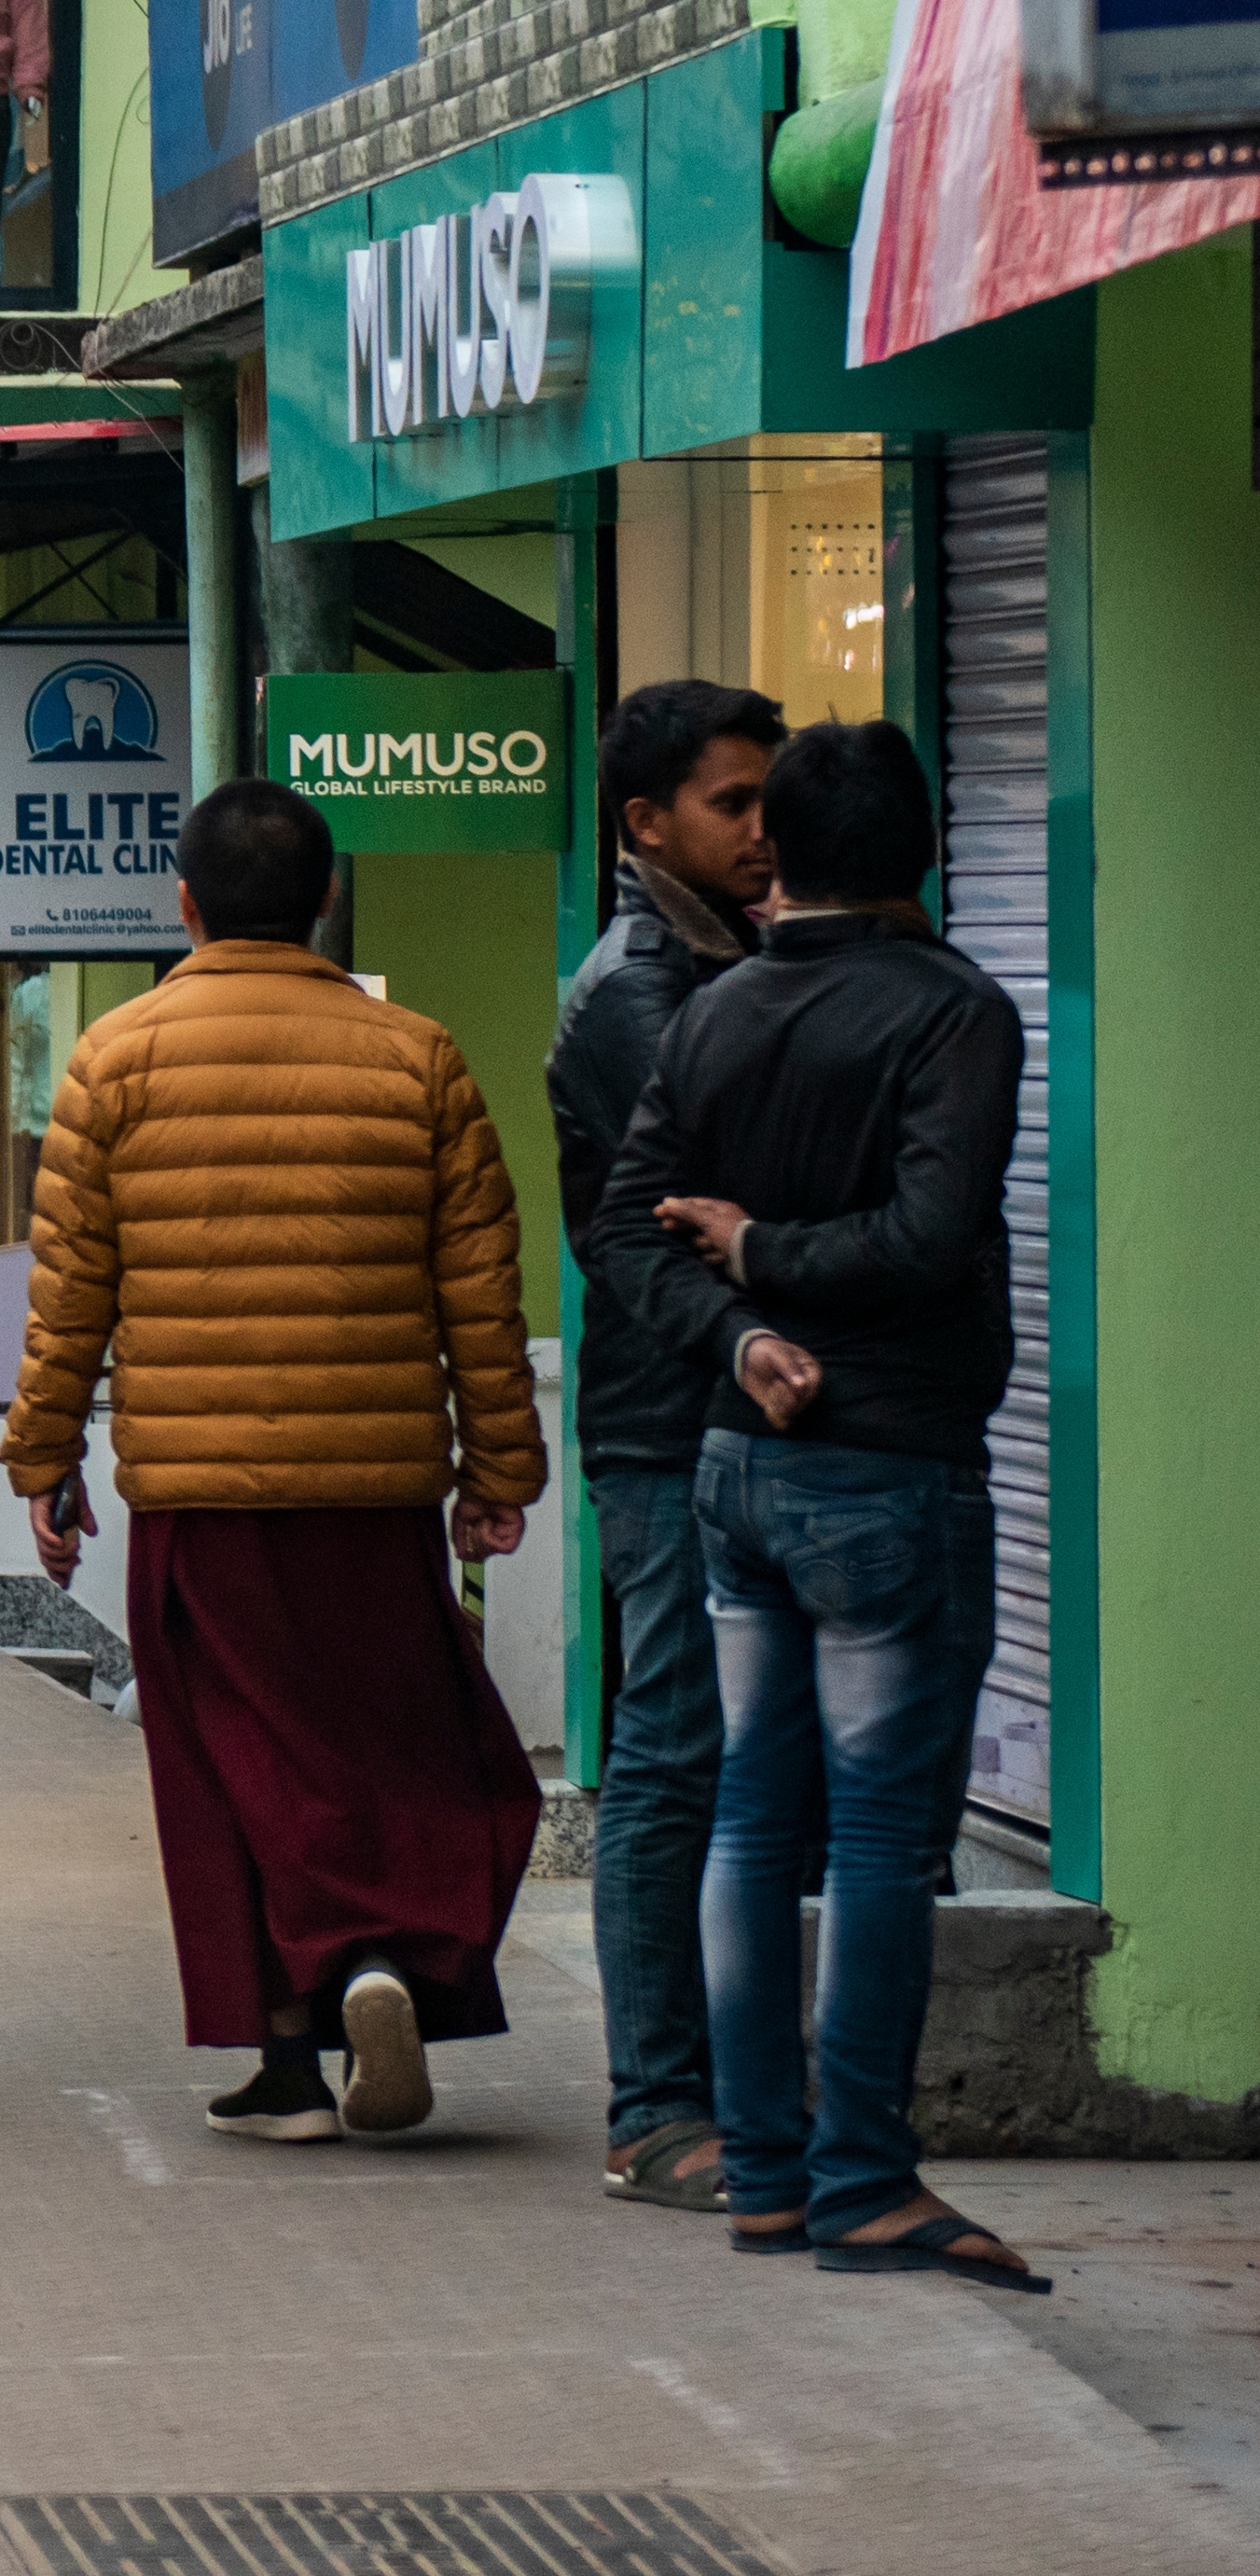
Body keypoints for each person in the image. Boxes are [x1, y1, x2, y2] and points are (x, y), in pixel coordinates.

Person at [5, 780, 552, 2143]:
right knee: (385, 1742)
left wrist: (43, 1459)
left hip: (197, 1495)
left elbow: (68, 1294)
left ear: (181, 903)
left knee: (227, 1763)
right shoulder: (415, 1058)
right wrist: (498, 1467)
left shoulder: (114, 1059)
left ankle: (294, 2046)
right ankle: (381, 1953)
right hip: (373, 1492)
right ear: (324, 899)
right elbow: (478, 1289)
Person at [586, 718, 1048, 2292]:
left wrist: (734, 1333)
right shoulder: (951, 1010)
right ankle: (858, 2178)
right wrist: (762, 1268)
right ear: (925, 845)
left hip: (733, 1469)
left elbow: (622, 1234)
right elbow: (926, 1234)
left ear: (779, 851)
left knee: (745, 1816)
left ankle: (766, 2173)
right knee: (873, 1841)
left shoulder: (714, 1011)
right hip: (884, 1471)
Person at [549, 676, 784, 2216]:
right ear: (644, 822)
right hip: (665, 1423)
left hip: (737, 1409)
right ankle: (652, 2108)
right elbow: (726, 1185)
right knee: (671, 1751)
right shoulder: (635, 987)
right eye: (731, 803)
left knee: (745, 1755)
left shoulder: (734, 957)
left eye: (770, 797)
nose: (763, 829)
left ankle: (735, 2082)